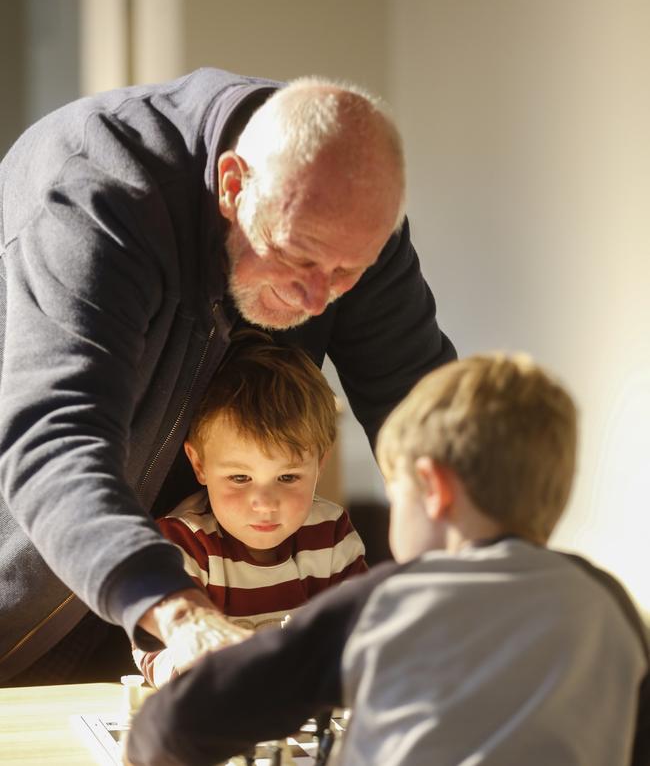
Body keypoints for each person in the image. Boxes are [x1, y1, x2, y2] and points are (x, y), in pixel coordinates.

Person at [0, 67, 455, 684]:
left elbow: (430, 416)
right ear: (234, 185)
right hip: (32, 580)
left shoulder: (346, 224)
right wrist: (186, 619)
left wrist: (484, 570)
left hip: (169, 589)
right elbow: (55, 442)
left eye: (347, 271)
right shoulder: (100, 194)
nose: (319, 298)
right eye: (298, 258)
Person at [125, 353, 650, 766]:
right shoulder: (609, 604)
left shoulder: (389, 602)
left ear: (432, 488)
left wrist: (148, 737)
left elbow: (180, 726)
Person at [132, 332, 367, 687]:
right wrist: (191, 668)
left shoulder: (332, 533)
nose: (264, 502)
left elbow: (364, 631)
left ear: (320, 463)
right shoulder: (183, 542)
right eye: (240, 478)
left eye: (287, 477)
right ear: (199, 464)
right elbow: (153, 653)